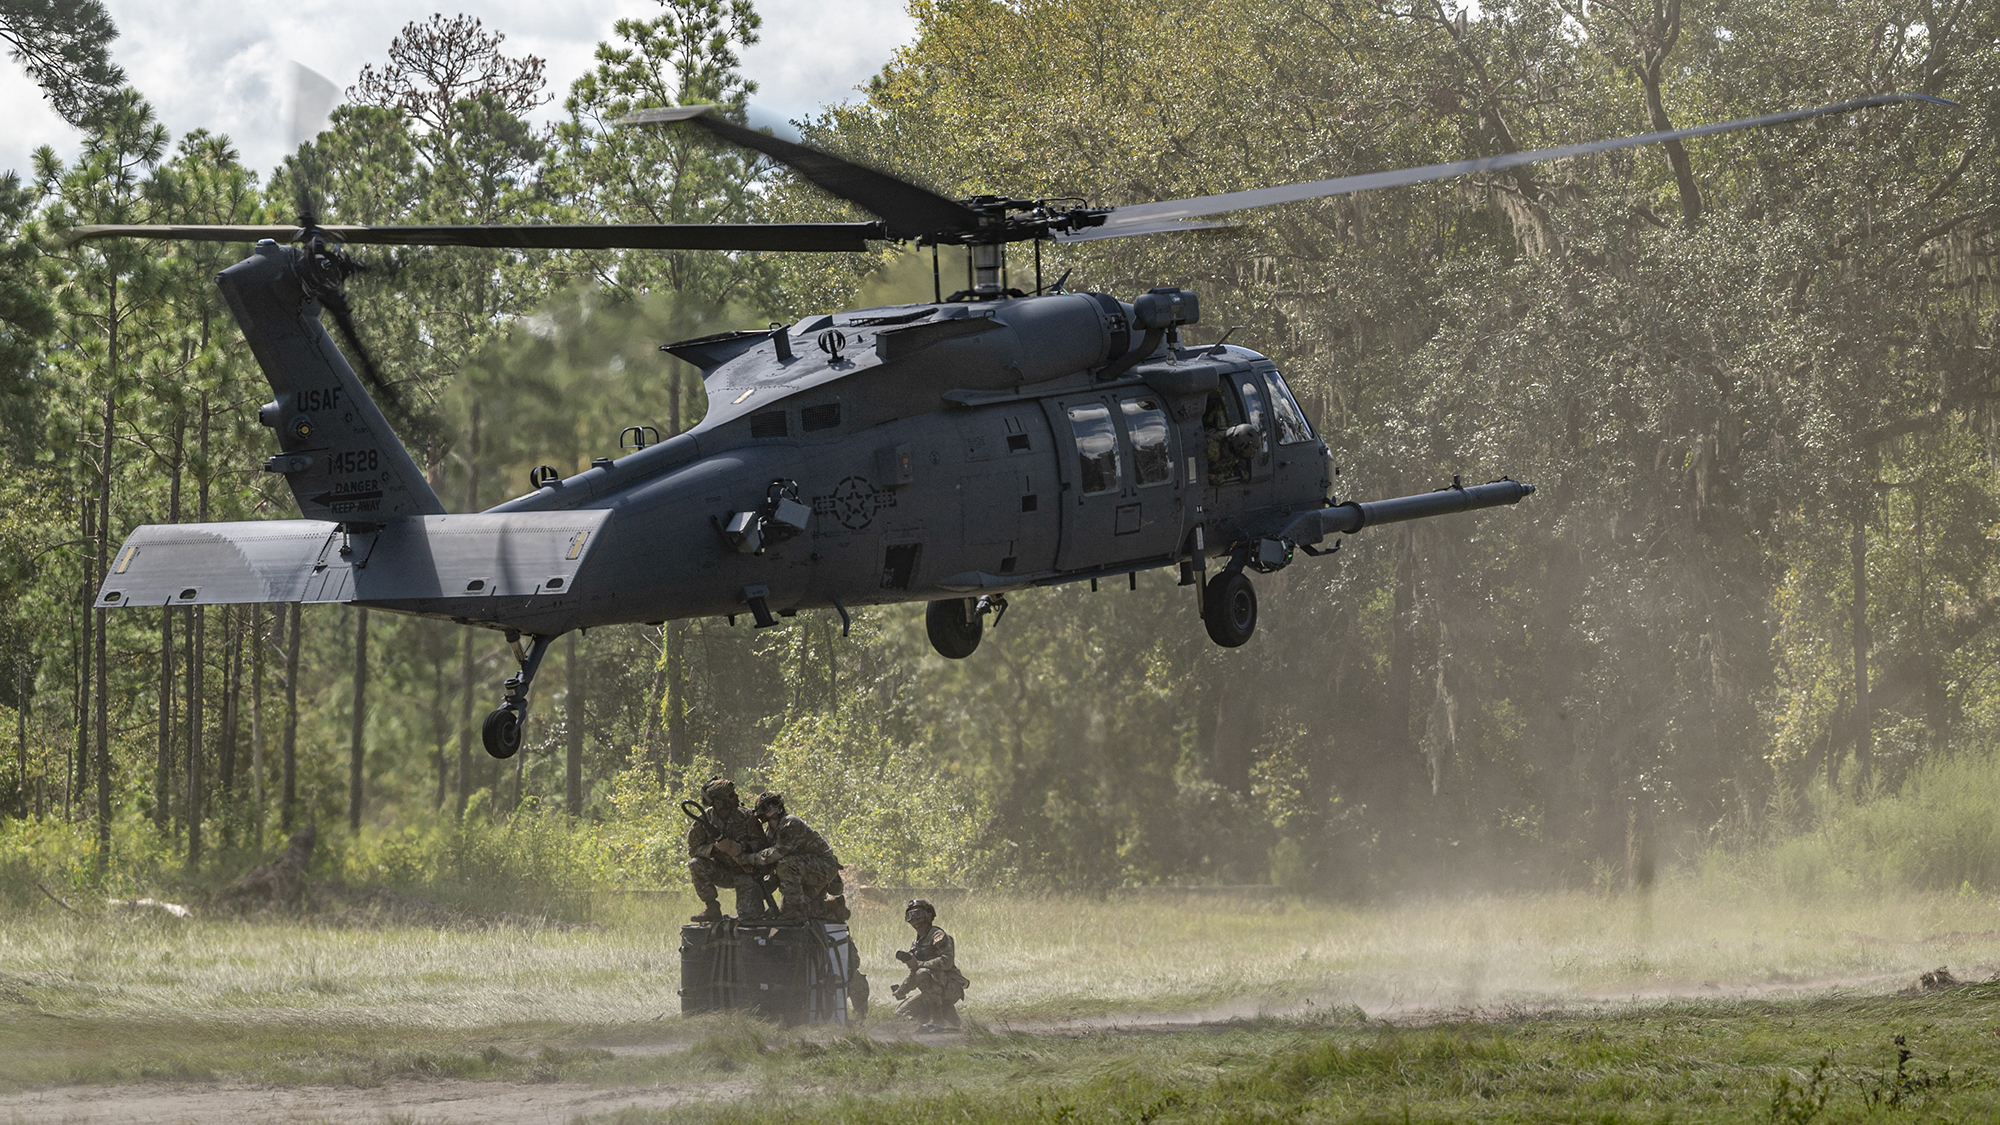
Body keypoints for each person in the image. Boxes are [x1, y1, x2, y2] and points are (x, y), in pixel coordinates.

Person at [744, 790, 847, 923]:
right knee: (798, 909)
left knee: (786, 867)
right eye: (766, 807)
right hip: (804, 872)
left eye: (774, 803)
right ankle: (834, 906)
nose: (772, 808)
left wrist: (749, 858)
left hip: (823, 867)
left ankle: (795, 912)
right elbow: (769, 863)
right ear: (761, 815)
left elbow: (778, 853)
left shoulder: (789, 822)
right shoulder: (769, 834)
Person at [686, 777, 772, 924]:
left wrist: (741, 847)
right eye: (731, 795)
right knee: (695, 864)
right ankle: (712, 908)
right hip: (722, 872)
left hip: (747, 872)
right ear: (720, 802)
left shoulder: (747, 817)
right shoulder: (705, 820)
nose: (737, 797)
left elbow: (761, 844)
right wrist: (713, 850)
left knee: (751, 920)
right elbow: (693, 849)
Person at [890, 898, 970, 1031]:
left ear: (928, 915)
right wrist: (901, 991)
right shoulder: (916, 943)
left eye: (918, 914)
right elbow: (914, 972)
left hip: (951, 987)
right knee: (901, 1013)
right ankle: (951, 1019)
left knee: (923, 973)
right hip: (936, 990)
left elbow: (947, 961)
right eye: (910, 916)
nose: (915, 920)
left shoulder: (938, 936)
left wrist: (920, 964)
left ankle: (937, 1021)